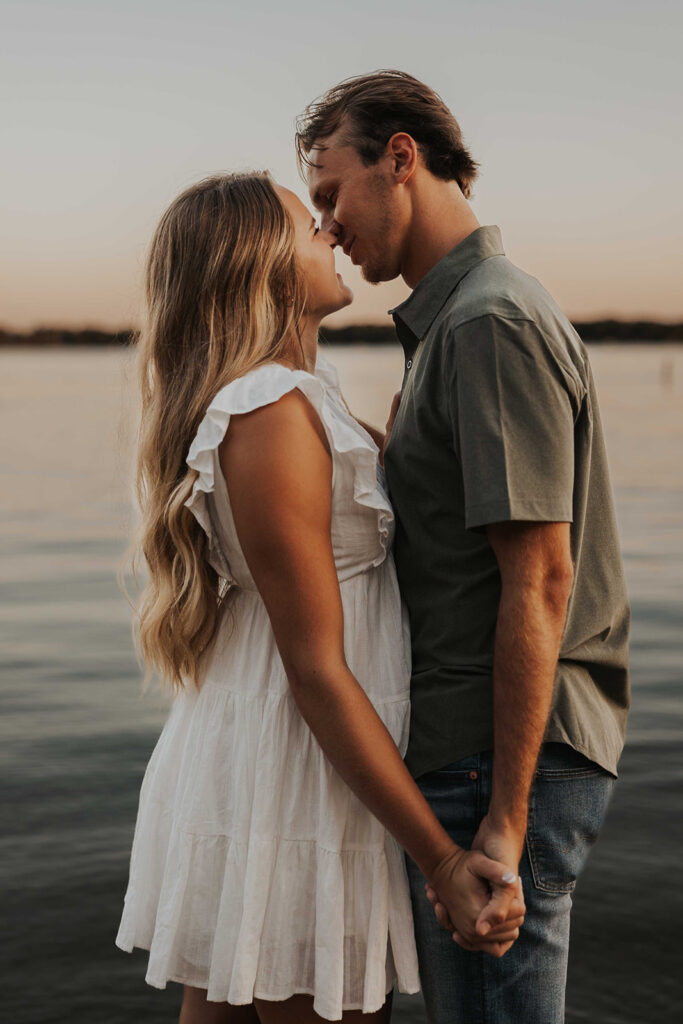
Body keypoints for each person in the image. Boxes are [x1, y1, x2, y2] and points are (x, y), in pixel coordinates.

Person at [115, 171, 526, 1024]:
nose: (332, 235)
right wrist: (440, 859)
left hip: (282, 749)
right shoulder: (268, 412)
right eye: (310, 227)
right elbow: (316, 669)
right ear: (259, 264)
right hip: (304, 763)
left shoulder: (300, 397)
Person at [296, 70, 630, 1024]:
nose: (326, 228)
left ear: (400, 158)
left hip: (493, 765)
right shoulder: (455, 325)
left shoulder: (485, 323)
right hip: (476, 757)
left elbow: (540, 579)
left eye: (331, 193)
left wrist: (504, 825)